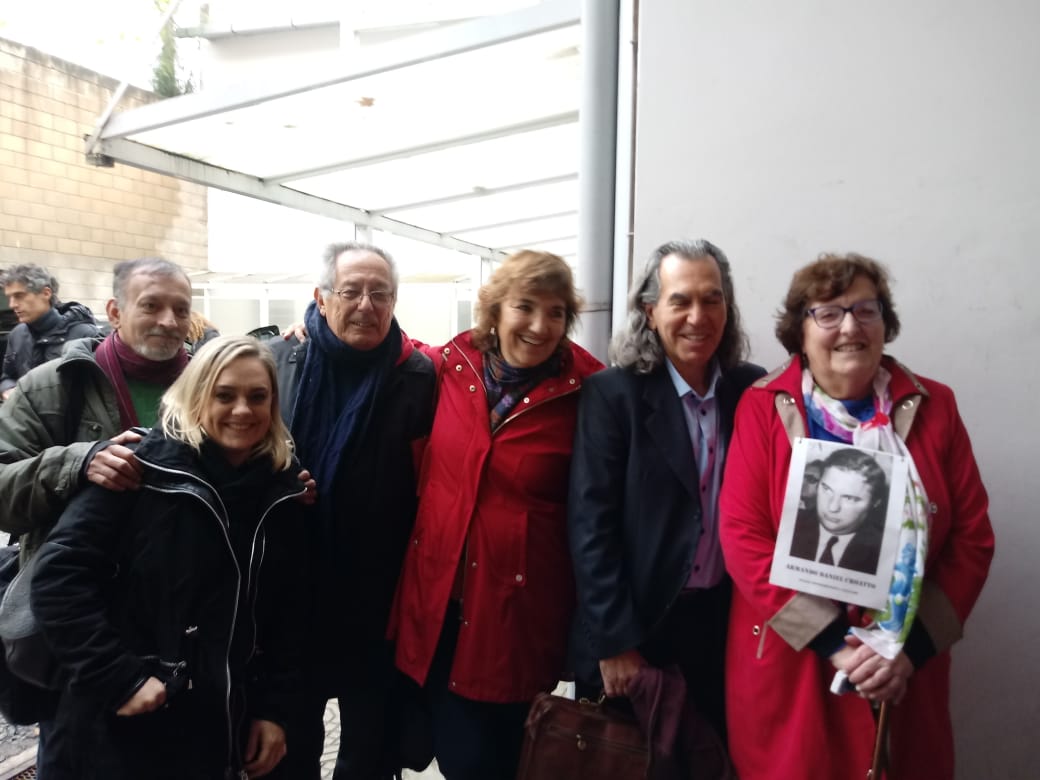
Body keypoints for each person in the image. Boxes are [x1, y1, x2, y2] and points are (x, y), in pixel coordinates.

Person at [719, 252, 994, 779]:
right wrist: (834, 645)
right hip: (795, 666)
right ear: (800, 332)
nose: (850, 327)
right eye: (828, 313)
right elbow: (742, 537)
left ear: (885, 324)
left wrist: (908, 651)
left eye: (866, 310)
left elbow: (972, 541)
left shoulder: (935, 405)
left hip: (903, 669)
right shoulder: (762, 406)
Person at [31, 336, 306, 779]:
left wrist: (275, 710)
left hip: (219, 728)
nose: (242, 410)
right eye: (224, 395)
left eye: (257, 397)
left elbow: (290, 614)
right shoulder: (141, 471)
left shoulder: (282, 490)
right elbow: (57, 579)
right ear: (197, 396)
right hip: (124, 729)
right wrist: (118, 677)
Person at [388, 249, 603, 780]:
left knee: (489, 760)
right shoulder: (449, 367)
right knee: (433, 745)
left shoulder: (589, 391)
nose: (540, 325)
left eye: (556, 312)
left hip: (515, 619)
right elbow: (383, 354)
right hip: (436, 605)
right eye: (525, 306)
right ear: (495, 310)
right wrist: (306, 335)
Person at [0, 257, 196, 777]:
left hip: (183, 627)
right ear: (114, 311)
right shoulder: (53, 387)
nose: (169, 321)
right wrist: (76, 463)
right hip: (82, 631)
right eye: (151, 305)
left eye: (181, 309)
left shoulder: (212, 385)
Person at [567, 239, 764, 741]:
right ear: (650, 312)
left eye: (712, 299)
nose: (699, 316)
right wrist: (614, 641)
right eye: (681, 301)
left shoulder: (751, 391)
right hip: (639, 631)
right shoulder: (613, 395)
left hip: (723, 630)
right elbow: (591, 527)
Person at [269, 241, 436, 780]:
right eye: (351, 291)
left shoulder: (419, 377)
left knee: (370, 753)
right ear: (321, 298)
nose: (366, 305)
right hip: (290, 600)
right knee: (289, 748)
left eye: (380, 293)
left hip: (377, 603)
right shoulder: (276, 362)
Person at [0, 263, 100, 400]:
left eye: (19, 296)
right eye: (10, 297)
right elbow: (7, 377)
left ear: (46, 293)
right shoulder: (17, 334)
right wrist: (8, 390)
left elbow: (99, 393)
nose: (12, 305)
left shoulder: (85, 335)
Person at [789, 447, 888, 574]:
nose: (832, 507)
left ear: (875, 503)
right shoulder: (790, 523)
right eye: (827, 489)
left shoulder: (884, 551)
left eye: (850, 498)